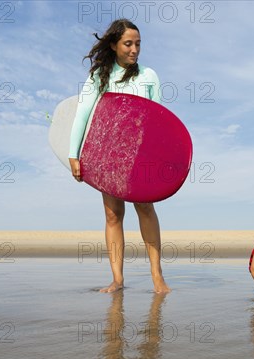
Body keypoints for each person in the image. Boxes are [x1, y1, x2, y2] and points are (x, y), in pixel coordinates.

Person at [68, 19, 170, 294]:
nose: (134, 49)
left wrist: (159, 157)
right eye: (128, 44)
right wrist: (73, 154)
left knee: (145, 208)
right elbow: (83, 114)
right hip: (108, 153)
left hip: (140, 153)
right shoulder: (98, 76)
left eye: (138, 44)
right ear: (113, 45)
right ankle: (117, 279)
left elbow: (158, 119)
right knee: (113, 215)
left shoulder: (149, 75)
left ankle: (157, 276)